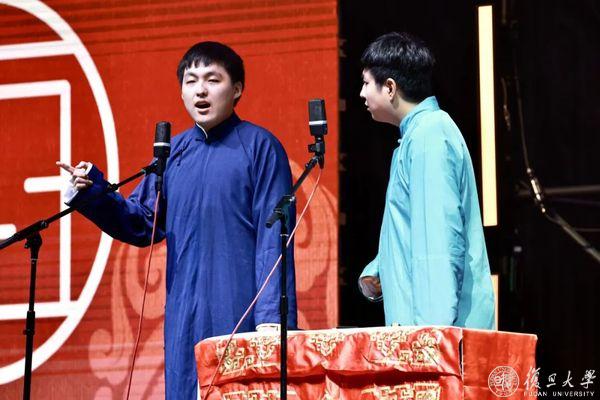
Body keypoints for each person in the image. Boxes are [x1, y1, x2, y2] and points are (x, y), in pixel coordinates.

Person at [58, 41, 297, 399]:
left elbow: (274, 237)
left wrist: (272, 320)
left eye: (213, 80)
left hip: (241, 308)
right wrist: (93, 191)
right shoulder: (173, 155)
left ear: (236, 89)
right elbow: (142, 222)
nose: (201, 90)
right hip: (184, 312)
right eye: (191, 81)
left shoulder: (260, 147)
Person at [357, 32, 495, 329]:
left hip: (437, 334)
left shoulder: (429, 135)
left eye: (366, 83)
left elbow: (438, 243)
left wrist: (431, 336)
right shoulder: (417, 136)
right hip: (420, 330)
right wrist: (380, 269)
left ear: (390, 88)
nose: (362, 93)